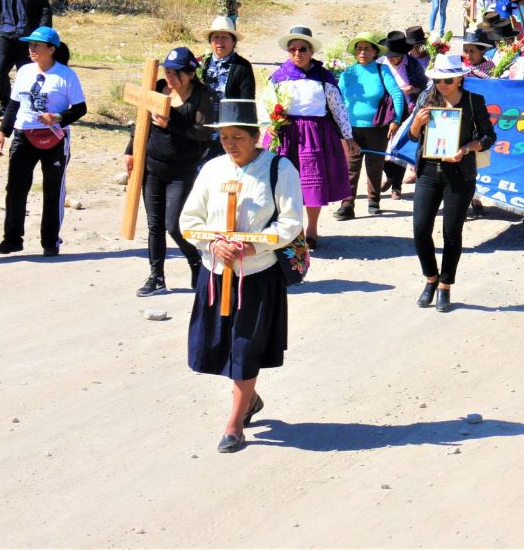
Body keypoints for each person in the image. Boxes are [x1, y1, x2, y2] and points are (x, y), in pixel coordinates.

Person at [180, 99, 304, 454]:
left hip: (257, 276)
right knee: (218, 347)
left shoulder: (279, 169)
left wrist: (253, 248)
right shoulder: (212, 170)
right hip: (216, 275)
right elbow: (190, 221)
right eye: (224, 137)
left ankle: (234, 424)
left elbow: (291, 222)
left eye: (238, 136)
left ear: (256, 136)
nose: (230, 144)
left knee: (246, 347)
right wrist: (213, 245)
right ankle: (248, 396)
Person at [409, 55, 497, 313]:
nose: (442, 84)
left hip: (459, 173)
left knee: (451, 232)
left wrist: (467, 148)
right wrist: (417, 123)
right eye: (437, 80)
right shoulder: (427, 99)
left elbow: (489, 136)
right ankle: (430, 279)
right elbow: (415, 136)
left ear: (459, 78)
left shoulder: (473, 100)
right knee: (420, 229)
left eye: (447, 80)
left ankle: (445, 285)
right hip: (428, 171)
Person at [126, 47, 214, 296]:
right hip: (152, 166)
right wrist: (131, 149)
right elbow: (141, 118)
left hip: (182, 170)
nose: (171, 77)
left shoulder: (201, 95)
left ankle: (196, 262)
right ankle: (157, 277)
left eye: (176, 73)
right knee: (154, 225)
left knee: (174, 224)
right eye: (168, 71)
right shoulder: (159, 87)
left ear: (190, 73)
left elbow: (203, 133)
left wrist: (171, 123)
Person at [0, 26, 85, 256]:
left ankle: (50, 241)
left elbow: (81, 109)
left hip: (55, 138)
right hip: (23, 135)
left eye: (36, 45)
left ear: (51, 49)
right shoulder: (24, 71)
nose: (31, 48)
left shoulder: (66, 75)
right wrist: (3, 132)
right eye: (30, 44)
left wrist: (58, 117)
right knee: (15, 188)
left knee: (52, 190)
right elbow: (14, 104)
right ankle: (12, 239)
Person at [268, 26, 358, 247]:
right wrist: (269, 125)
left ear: (311, 51)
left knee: (311, 184)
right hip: (286, 133)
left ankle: (312, 230)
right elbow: (267, 103)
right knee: (284, 184)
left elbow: (338, 108)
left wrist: (348, 137)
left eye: (302, 49)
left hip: (314, 135)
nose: (297, 54)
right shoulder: (279, 76)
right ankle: (292, 230)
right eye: (293, 50)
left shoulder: (323, 76)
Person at [335, 32, 404, 220]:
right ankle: (347, 205)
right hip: (350, 129)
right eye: (359, 48)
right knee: (350, 167)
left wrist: (396, 120)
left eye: (367, 48)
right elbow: (337, 99)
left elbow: (397, 94)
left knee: (374, 166)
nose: (362, 52)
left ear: (375, 52)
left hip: (377, 128)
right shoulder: (347, 73)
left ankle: (374, 202)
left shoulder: (382, 70)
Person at [198, 16, 255, 162]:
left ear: (233, 41)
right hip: (204, 127)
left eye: (225, 37)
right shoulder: (203, 63)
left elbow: (246, 102)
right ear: (210, 41)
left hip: (229, 129)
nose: (220, 41)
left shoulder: (242, 67)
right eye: (216, 37)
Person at [379, 30, 427, 199]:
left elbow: (425, 86)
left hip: (409, 109)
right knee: (382, 147)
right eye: (389, 55)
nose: (391, 58)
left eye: (395, 55)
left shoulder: (413, 64)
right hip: (384, 110)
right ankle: (390, 176)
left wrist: (413, 89)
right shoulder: (380, 63)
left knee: (398, 146)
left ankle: (396, 187)